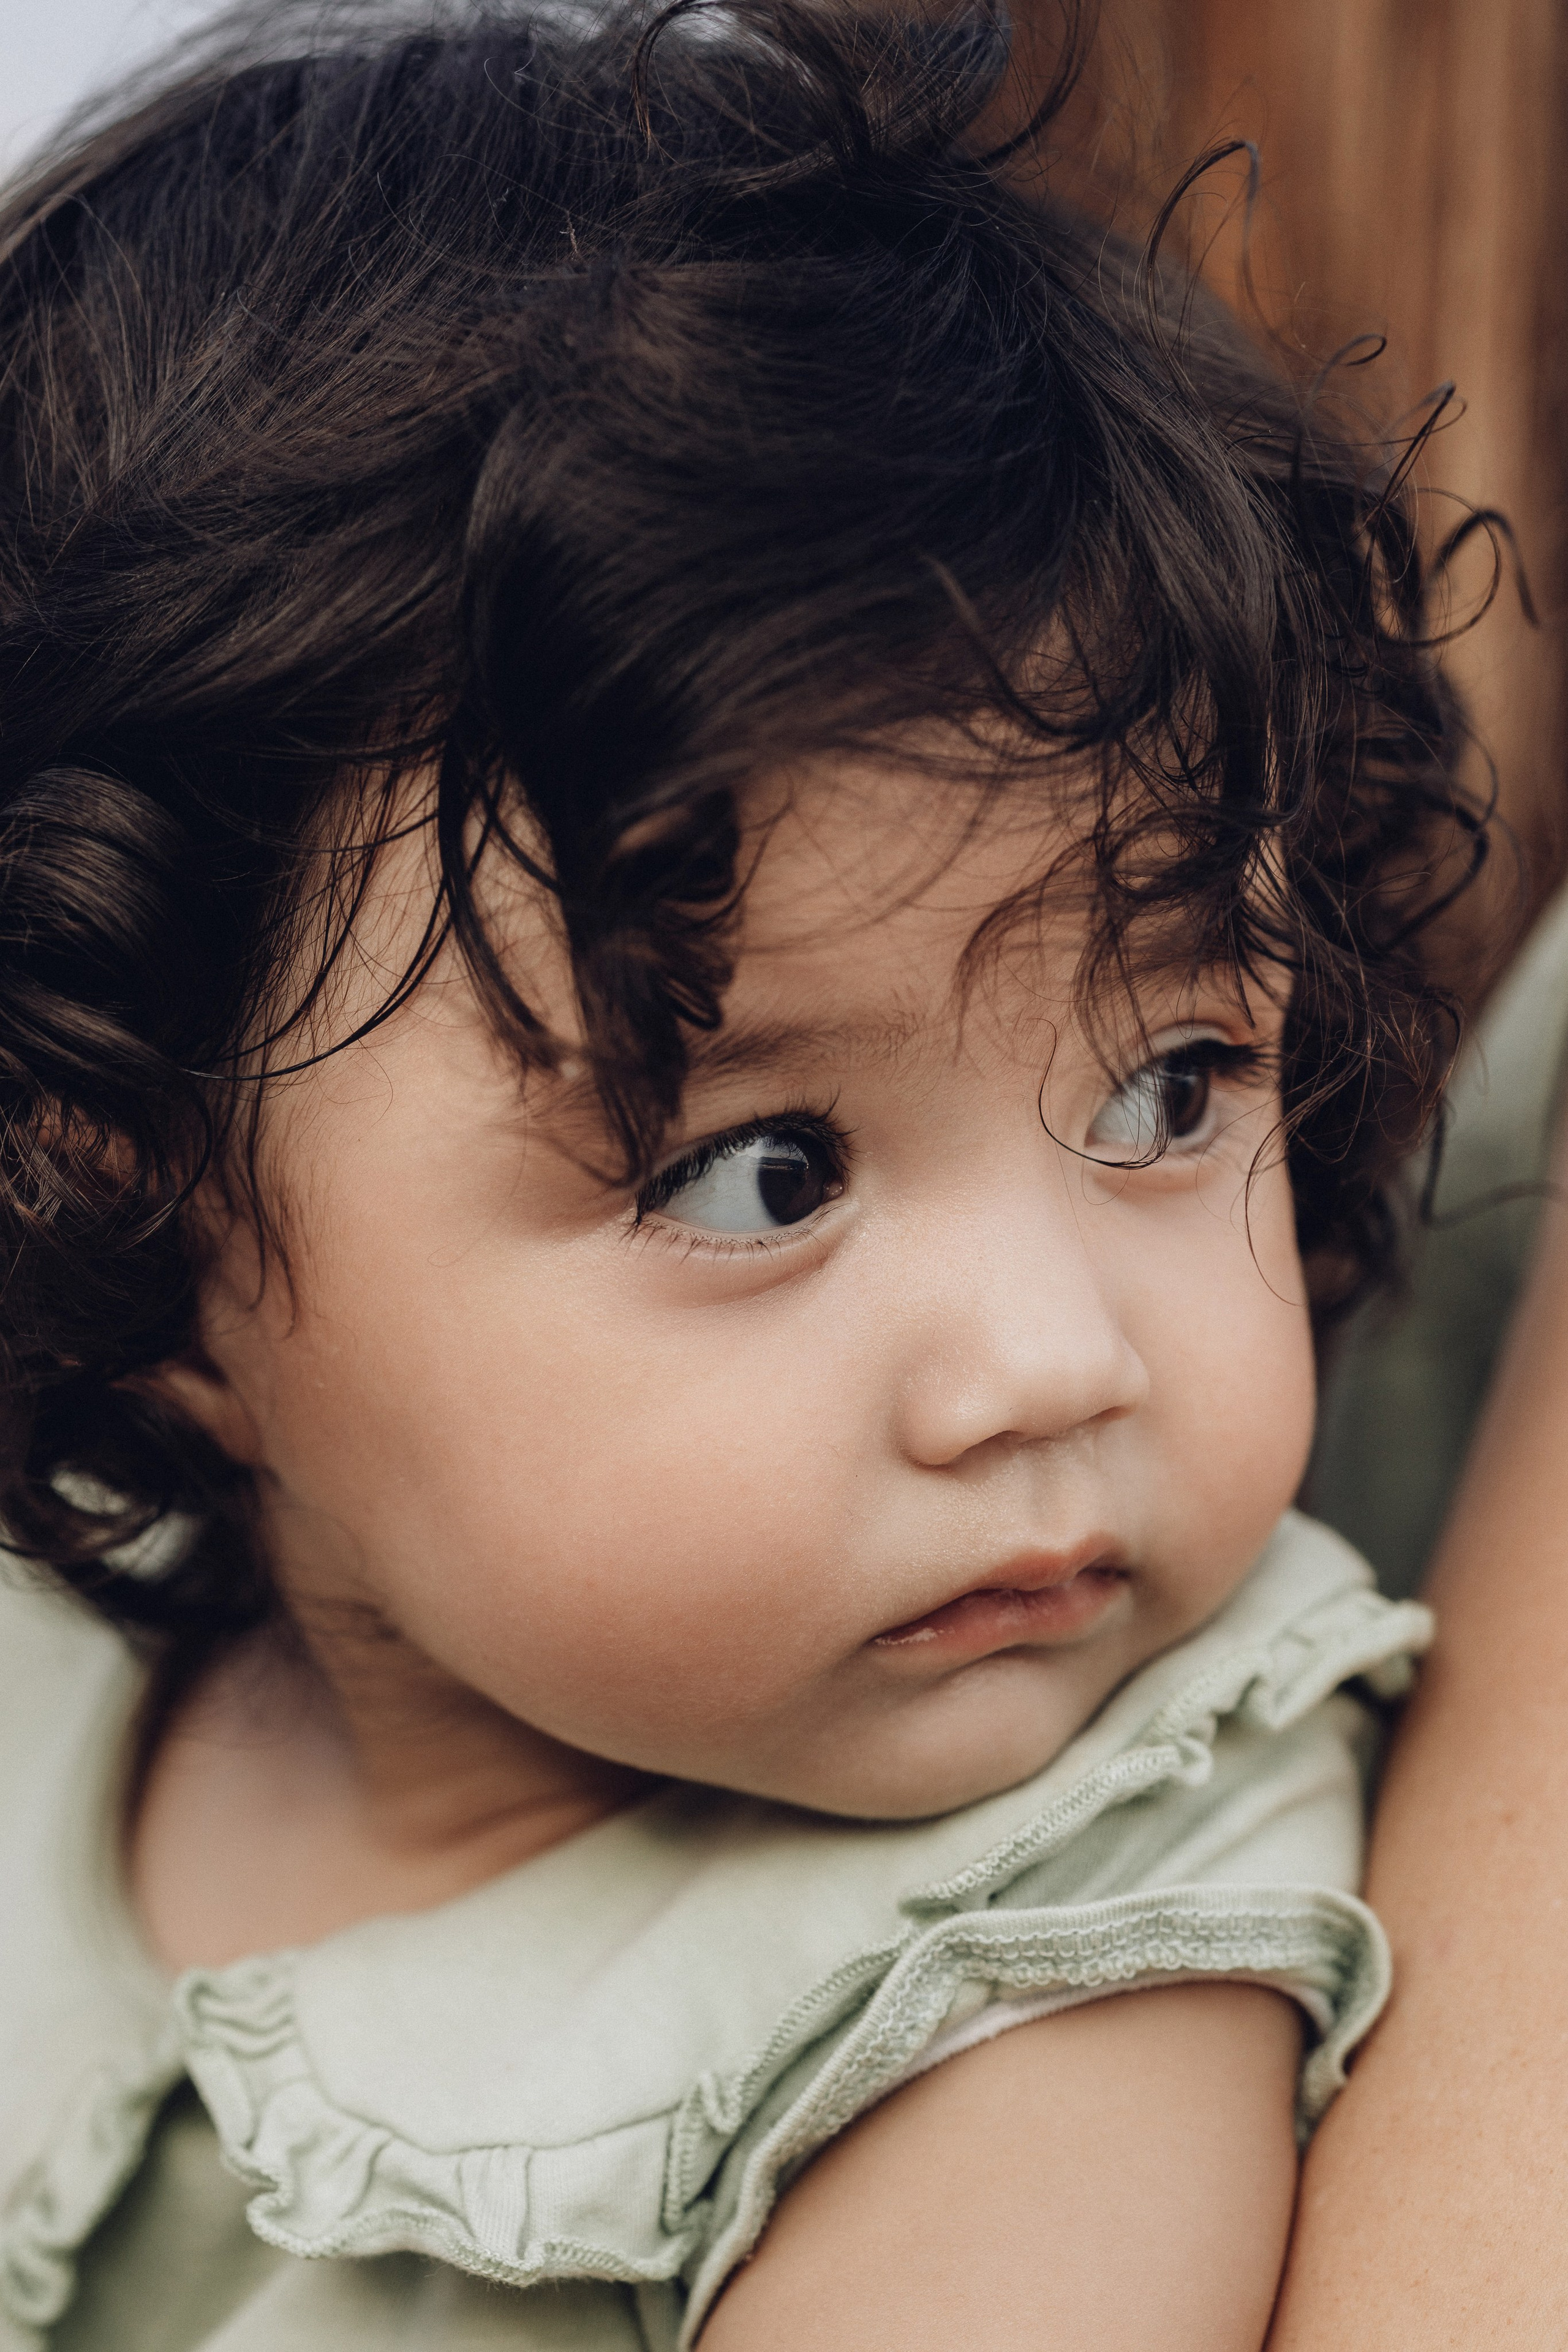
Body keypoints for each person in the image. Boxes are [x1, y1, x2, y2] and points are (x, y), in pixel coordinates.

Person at [0, 4, 1471, 2345]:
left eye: (1176, 1092)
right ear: (154, 1244)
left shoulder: (1065, 1951)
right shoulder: (45, 1684)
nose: (1050, 1360)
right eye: (767, 1172)